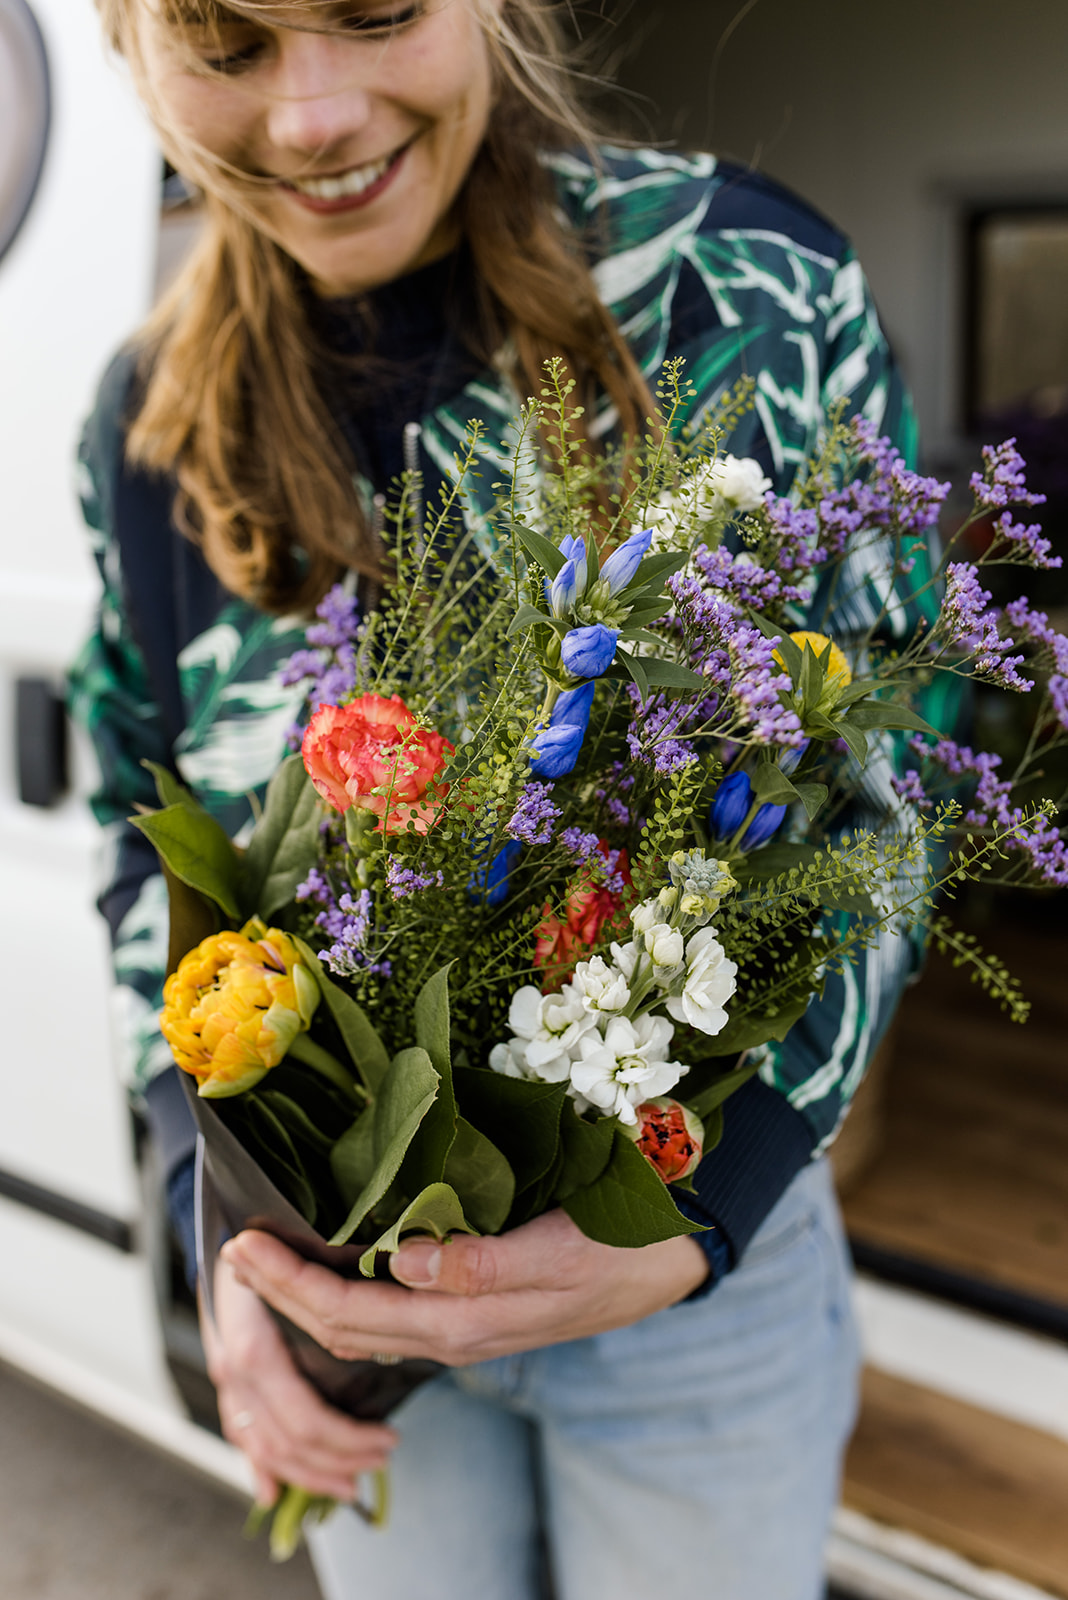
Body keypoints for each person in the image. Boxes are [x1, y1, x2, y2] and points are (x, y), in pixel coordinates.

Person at [72, 4, 933, 1596]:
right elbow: (145, 835)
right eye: (225, 43)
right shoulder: (144, 426)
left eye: (377, 12)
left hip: (689, 1303)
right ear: (130, 58)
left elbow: (881, 789)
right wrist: (215, 1225)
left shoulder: (736, 291)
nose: (316, 114)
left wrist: (701, 1215)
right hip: (357, 1313)